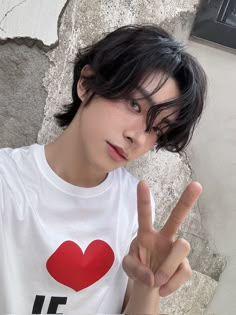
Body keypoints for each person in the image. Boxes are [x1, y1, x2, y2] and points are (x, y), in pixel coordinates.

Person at [0, 24, 206, 314]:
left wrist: (149, 285)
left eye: (157, 128)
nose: (138, 136)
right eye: (134, 105)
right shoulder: (8, 181)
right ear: (86, 83)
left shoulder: (133, 204)